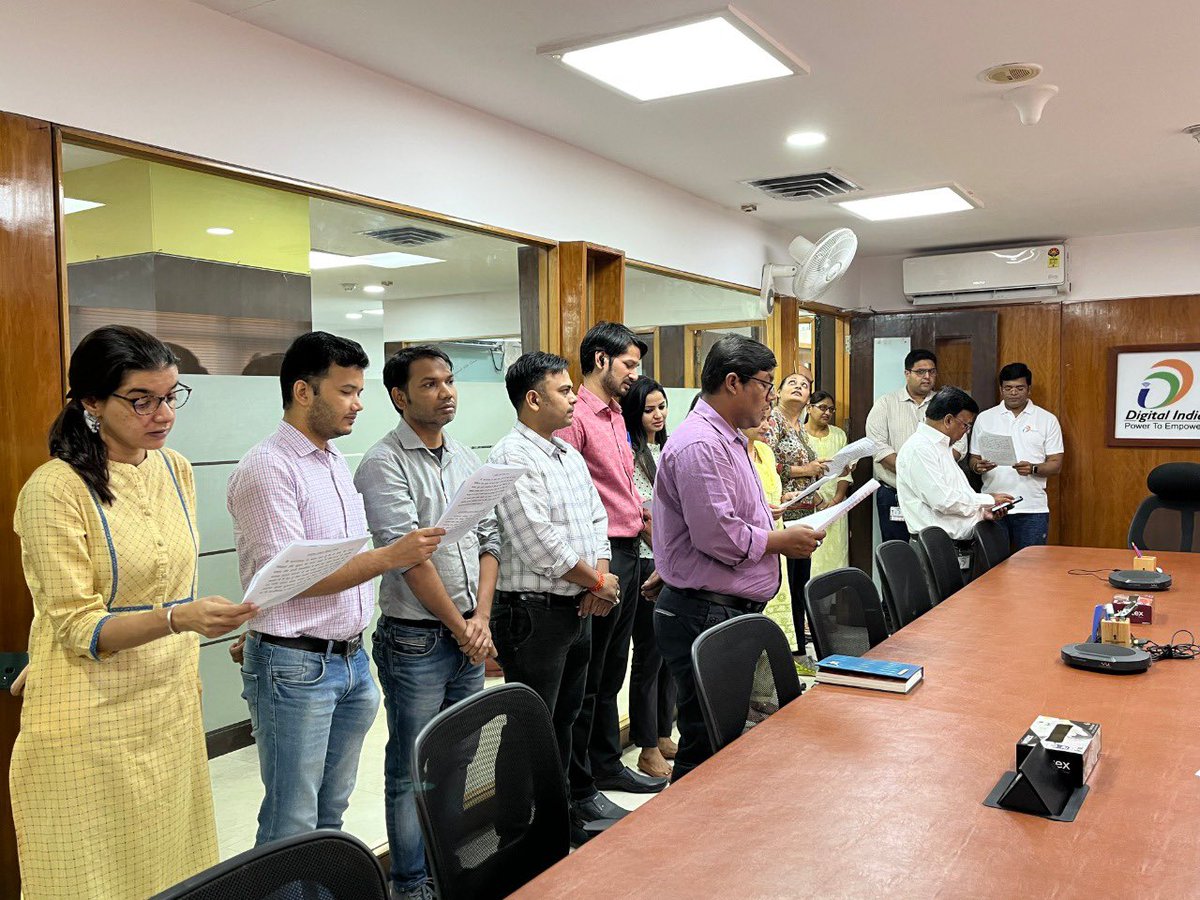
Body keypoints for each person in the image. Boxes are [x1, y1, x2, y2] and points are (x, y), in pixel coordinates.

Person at [11, 325, 257, 898]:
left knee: (172, 867)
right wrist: (177, 618)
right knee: (88, 877)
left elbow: (175, 579)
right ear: (91, 403)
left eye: (171, 396)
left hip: (166, 705)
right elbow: (75, 625)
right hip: (89, 717)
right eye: (140, 401)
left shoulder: (174, 469)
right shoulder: (55, 489)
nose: (162, 414)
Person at [227, 332, 444, 847]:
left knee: (331, 813)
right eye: (346, 391)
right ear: (304, 392)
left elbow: (334, 562)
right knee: (291, 821)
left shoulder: (331, 462)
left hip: (348, 659)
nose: (358, 403)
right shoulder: (268, 468)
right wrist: (391, 557)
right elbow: (293, 578)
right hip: (295, 666)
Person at [353, 346, 498, 900]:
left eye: (450, 380)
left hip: (469, 628)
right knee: (412, 764)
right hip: (417, 639)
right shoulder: (382, 462)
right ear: (400, 395)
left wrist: (480, 616)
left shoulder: (463, 456)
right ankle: (411, 881)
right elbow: (407, 557)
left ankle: (450, 865)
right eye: (431, 384)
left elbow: (489, 538)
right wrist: (461, 627)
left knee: (460, 755)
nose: (447, 392)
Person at [651, 335, 824, 782]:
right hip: (704, 611)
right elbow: (718, 537)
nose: (770, 397)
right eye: (765, 385)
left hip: (721, 608)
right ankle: (678, 840)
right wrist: (780, 541)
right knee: (705, 742)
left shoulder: (729, 439)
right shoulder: (700, 444)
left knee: (723, 740)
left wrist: (770, 516)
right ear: (732, 382)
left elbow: (729, 515)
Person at [487, 351, 622, 844]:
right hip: (534, 613)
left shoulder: (565, 453)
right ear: (532, 398)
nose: (573, 398)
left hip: (578, 605)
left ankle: (557, 816)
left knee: (565, 719)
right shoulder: (511, 456)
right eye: (564, 391)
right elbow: (536, 540)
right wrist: (595, 582)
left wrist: (600, 578)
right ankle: (516, 835)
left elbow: (597, 520)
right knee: (530, 727)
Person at [556, 322, 668, 808]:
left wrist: (647, 523)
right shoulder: (576, 416)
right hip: (599, 556)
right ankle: (583, 780)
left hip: (627, 550)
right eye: (628, 365)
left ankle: (605, 764)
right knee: (588, 678)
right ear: (600, 360)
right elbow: (573, 500)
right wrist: (593, 574)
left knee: (610, 672)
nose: (634, 375)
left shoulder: (615, 415)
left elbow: (622, 487)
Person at [620, 375, 677, 780]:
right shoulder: (628, 452)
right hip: (645, 561)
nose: (657, 416)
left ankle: (663, 729)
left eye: (662, 407)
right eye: (648, 409)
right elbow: (642, 516)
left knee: (669, 654)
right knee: (648, 655)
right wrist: (663, 555)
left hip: (672, 561)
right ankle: (646, 745)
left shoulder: (668, 447)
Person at [896, 386, 1013, 571]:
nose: (966, 431)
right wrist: (989, 499)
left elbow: (957, 499)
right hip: (936, 549)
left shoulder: (943, 448)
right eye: (965, 425)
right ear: (948, 420)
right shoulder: (919, 449)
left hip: (955, 547)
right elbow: (944, 501)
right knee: (940, 601)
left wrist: (982, 513)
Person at [763, 369, 828, 657]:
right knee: (788, 584)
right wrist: (806, 470)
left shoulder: (800, 425)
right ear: (777, 390)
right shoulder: (772, 420)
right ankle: (788, 650)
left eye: (804, 385)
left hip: (805, 510)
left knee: (800, 581)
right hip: (783, 512)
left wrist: (822, 476)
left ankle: (799, 649)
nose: (799, 387)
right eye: (793, 383)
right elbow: (765, 463)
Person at [968, 363, 1064, 553]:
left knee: (1031, 569)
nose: (1013, 393)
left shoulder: (1047, 419)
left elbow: (1056, 464)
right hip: (993, 506)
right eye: (1008, 388)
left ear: (1029, 389)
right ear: (1001, 389)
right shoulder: (985, 418)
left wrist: (1034, 468)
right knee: (993, 569)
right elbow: (973, 459)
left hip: (1032, 508)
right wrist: (978, 466)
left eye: (1019, 388)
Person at [742, 409, 797, 655]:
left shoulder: (765, 450)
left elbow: (773, 491)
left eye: (769, 420)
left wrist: (785, 498)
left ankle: (775, 663)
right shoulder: (734, 452)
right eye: (761, 419)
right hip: (751, 539)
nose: (766, 426)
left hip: (776, 534)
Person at [805, 390, 854, 575]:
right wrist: (819, 501)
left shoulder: (838, 435)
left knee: (837, 560)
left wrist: (836, 500)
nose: (827, 413)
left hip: (836, 507)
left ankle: (834, 604)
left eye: (831, 410)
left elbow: (844, 472)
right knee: (813, 560)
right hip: (811, 507)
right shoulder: (800, 434)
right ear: (809, 408)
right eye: (822, 407)